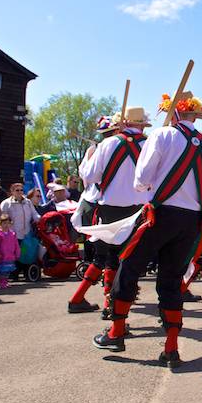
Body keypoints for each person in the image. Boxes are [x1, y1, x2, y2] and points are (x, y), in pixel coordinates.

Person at [92, 91, 202, 369]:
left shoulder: (161, 136)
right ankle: (171, 348)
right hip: (191, 221)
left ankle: (116, 332)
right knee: (171, 279)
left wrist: (148, 186)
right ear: (194, 115)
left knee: (128, 266)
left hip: (159, 216)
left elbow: (141, 180)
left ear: (173, 114)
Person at [74, 107, 150, 315]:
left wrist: (89, 160)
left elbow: (89, 176)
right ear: (142, 124)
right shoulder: (149, 144)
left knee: (107, 256)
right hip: (139, 211)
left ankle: (109, 302)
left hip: (109, 208)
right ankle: (113, 302)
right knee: (127, 258)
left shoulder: (108, 144)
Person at [68, 115, 121, 312]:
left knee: (104, 256)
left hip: (91, 205)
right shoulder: (106, 149)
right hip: (102, 205)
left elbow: (85, 176)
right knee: (109, 256)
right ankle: (108, 303)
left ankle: (79, 298)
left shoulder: (94, 150)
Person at [0, 214, 20, 289]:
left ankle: (5, 281)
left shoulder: (12, 234)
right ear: (0, 224)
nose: (6, 225)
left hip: (10, 255)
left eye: (8, 223)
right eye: (4, 223)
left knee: (8, 270)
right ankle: (2, 282)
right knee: (2, 271)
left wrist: (17, 253)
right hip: (2, 256)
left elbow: (16, 244)